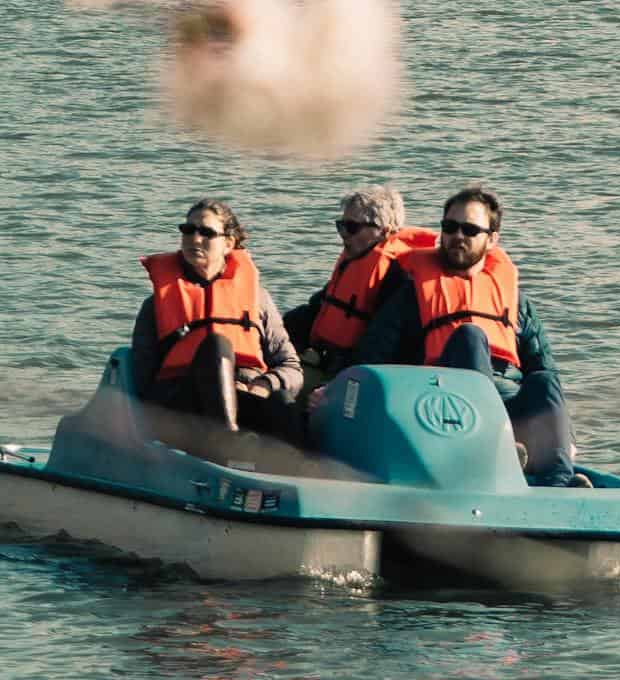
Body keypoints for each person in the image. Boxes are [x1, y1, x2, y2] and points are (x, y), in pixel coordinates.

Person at [356, 187, 582, 484]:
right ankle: (499, 453)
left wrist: (568, 436)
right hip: (448, 404)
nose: (457, 236)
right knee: (470, 337)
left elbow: (543, 366)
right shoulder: (411, 294)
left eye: (470, 229)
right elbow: (372, 356)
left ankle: (559, 481)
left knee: (544, 380)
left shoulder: (515, 301)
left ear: (491, 239)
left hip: (509, 403)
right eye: (449, 227)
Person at [130, 199, 302, 440]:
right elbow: (142, 380)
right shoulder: (156, 304)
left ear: (228, 244)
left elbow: (291, 367)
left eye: (207, 233)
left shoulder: (257, 299)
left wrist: (263, 385)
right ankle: (227, 442)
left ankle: (297, 467)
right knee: (216, 345)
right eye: (188, 230)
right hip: (182, 407)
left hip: (245, 394)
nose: (195, 239)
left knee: (282, 401)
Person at [283, 188, 437, 391]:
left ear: (385, 230)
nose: (344, 234)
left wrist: (333, 386)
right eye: (341, 226)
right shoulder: (356, 264)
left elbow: (380, 346)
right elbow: (315, 311)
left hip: (364, 379)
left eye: (352, 227)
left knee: (282, 393)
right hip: (329, 361)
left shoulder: (400, 279)